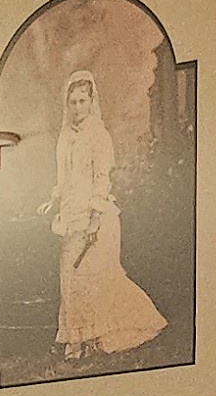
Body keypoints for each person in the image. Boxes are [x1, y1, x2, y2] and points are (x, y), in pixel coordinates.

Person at [48, 72, 166, 364]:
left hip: (96, 217)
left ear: (92, 102)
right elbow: (64, 179)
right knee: (70, 278)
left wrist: (94, 220)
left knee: (97, 278)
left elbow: (102, 179)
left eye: (82, 101)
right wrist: (52, 199)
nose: (77, 107)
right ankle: (76, 340)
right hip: (71, 216)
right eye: (73, 102)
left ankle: (104, 334)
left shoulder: (99, 136)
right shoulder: (65, 137)